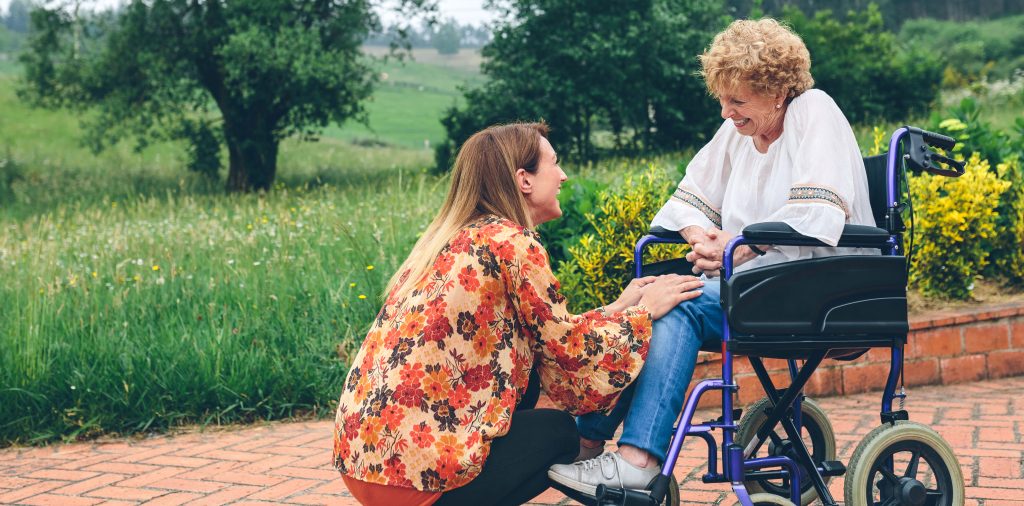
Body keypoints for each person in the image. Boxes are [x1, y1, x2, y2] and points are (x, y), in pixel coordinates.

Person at [549, 17, 876, 495]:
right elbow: (691, 196)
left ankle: (635, 461)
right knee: (654, 297)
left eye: (738, 100)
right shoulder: (739, 133)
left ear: (778, 90)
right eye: (722, 99)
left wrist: (737, 247)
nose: (726, 112)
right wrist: (701, 236)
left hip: (818, 287)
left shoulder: (814, 112)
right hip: (757, 286)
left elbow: (818, 212)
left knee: (675, 305)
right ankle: (585, 445)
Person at [332, 122, 705, 506]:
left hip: (366, 465)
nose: (562, 176)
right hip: (418, 481)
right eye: (554, 164)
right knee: (559, 433)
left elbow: (546, 331)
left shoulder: (450, 240)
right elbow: (569, 353)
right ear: (523, 180)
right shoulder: (512, 242)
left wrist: (617, 308)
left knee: (522, 383)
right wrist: (644, 314)